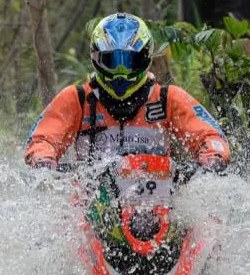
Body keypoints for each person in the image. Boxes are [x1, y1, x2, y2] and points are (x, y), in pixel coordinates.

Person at [24, 12, 230, 171]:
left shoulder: (168, 98)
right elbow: (43, 139)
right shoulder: (77, 99)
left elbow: (209, 134)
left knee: (208, 224)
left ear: (145, 58)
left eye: (130, 61)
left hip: (161, 201)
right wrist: (44, 159)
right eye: (112, 61)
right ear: (97, 59)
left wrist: (213, 157)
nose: (121, 72)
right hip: (92, 206)